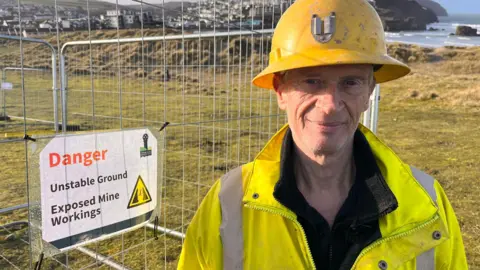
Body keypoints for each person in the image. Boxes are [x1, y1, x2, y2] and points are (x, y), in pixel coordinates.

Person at [177, 0, 468, 268]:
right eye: (312, 81)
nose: (329, 105)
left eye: (350, 82)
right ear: (280, 91)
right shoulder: (227, 204)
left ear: (369, 92)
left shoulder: (426, 205)